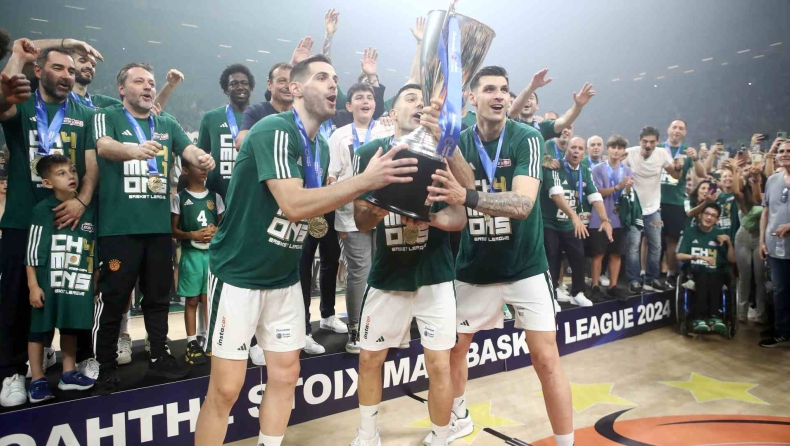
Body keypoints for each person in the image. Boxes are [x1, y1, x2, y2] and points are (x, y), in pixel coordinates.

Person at [195, 54, 418, 446]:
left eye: (335, 77)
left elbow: (318, 203)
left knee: (286, 377)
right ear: (295, 88)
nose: (333, 84)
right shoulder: (275, 130)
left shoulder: (322, 147)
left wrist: (378, 200)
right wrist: (364, 181)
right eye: (321, 77)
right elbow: (295, 205)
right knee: (226, 389)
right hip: (239, 275)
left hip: (283, 278)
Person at [423, 66, 576, 446]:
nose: (499, 96)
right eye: (489, 89)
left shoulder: (526, 137)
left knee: (546, 359)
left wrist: (467, 197)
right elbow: (455, 198)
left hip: (526, 268)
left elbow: (523, 205)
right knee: (453, 351)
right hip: (474, 268)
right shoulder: (456, 141)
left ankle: (566, 442)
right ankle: (458, 417)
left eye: (504, 90)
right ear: (472, 98)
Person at [349, 91, 471, 446]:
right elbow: (360, 222)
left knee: (439, 364)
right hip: (387, 276)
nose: (419, 104)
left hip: (435, 276)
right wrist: (384, 205)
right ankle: (367, 435)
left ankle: (441, 435)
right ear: (393, 111)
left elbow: (460, 217)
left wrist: (428, 219)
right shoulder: (369, 153)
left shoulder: (443, 154)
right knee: (370, 360)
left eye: (423, 100)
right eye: (411, 98)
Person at [91, 62, 215, 395]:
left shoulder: (166, 123)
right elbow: (103, 146)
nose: (148, 86)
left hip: (158, 230)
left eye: (150, 82)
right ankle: (105, 366)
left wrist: (202, 157)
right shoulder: (108, 115)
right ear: (122, 89)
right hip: (119, 229)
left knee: (158, 298)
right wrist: (133, 150)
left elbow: (187, 149)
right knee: (115, 299)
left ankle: (159, 355)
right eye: (139, 81)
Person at [0, 42, 98, 408]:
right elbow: (2, 101)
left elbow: (91, 165)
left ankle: (72, 365)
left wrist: (81, 201)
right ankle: (13, 372)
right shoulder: (23, 102)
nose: (67, 76)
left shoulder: (85, 113)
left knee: (71, 295)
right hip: (22, 219)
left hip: (68, 220)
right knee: (17, 300)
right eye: (58, 68)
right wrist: (18, 56)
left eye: (71, 70)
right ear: (39, 71)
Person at [327, 82, 394, 354]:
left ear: (375, 104)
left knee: (383, 269)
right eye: (359, 97)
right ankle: (355, 328)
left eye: (369, 97)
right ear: (349, 105)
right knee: (359, 272)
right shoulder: (339, 136)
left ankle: (380, 325)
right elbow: (332, 174)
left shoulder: (387, 131)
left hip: (384, 211)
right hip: (350, 214)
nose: (365, 101)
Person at [25, 154, 97, 403]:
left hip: (76, 280)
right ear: (47, 183)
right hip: (48, 282)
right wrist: (33, 285)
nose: (71, 176)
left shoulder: (88, 210)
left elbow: (93, 247)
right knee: (38, 330)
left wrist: (93, 278)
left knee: (70, 325)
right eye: (61, 173)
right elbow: (32, 252)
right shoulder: (41, 210)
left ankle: (68, 373)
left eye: (72, 171)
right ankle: (37, 379)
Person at [542, 137, 612, 307]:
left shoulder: (585, 171)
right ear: (566, 150)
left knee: (579, 256)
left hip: (569, 224)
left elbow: (595, 196)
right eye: (573, 147)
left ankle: (577, 293)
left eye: (580, 148)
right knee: (552, 259)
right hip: (549, 223)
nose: (576, 151)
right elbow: (556, 195)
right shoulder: (555, 167)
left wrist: (605, 219)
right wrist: (575, 217)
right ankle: (551, 296)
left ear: (584, 153)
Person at [171, 158, 224, 365]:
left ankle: (210, 339)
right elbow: (173, 230)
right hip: (191, 255)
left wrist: (216, 231)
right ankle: (191, 342)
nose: (203, 170)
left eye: (205, 167)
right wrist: (192, 234)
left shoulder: (215, 197)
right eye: (197, 166)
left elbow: (224, 226)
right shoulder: (180, 198)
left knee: (207, 299)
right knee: (192, 300)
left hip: (211, 257)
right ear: (185, 169)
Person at [622, 126, 680, 294]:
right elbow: (615, 169)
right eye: (645, 141)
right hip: (634, 209)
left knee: (656, 245)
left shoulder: (662, 154)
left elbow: (675, 176)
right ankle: (634, 280)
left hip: (654, 209)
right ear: (639, 141)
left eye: (652, 142)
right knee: (633, 246)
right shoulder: (629, 153)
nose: (648, 145)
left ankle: (651, 279)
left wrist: (678, 167)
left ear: (657, 142)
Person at [659, 120, 706, 288]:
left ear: (685, 132)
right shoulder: (658, 147)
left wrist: (695, 158)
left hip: (675, 202)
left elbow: (702, 174)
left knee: (672, 240)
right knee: (651, 240)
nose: (677, 130)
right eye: (674, 127)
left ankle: (671, 274)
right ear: (668, 129)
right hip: (655, 201)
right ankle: (649, 273)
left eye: (681, 128)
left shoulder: (687, 151)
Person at [676, 203, 735, 333]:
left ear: (717, 220)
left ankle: (715, 317)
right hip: (695, 271)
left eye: (713, 216)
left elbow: (732, 260)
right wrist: (698, 257)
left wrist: (729, 243)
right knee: (703, 275)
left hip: (716, 272)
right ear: (700, 215)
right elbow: (679, 256)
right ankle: (699, 317)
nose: (709, 217)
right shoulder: (690, 232)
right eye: (707, 214)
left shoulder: (720, 233)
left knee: (715, 275)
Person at [200, 63, 255, 199]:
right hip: (217, 196)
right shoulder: (211, 118)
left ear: (250, 87)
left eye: (244, 83)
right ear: (226, 89)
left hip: (251, 194)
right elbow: (201, 154)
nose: (240, 87)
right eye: (234, 84)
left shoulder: (261, 116)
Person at [590, 135, 633, 301]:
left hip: (618, 218)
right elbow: (597, 193)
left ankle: (613, 286)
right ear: (608, 149)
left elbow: (627, 195)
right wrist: (617, 187)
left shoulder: (627, 171)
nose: (616, 151)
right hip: (599, 218)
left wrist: (627, 189)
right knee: (598, 253)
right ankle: (594, 286)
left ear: (623, 151)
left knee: (616, 254)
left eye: (620, 148)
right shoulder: (598, 169)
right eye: (613, 147)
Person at [509, 68, 595, 147]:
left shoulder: (543, 127)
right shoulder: (510, 122)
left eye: (531, 98)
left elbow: (565, 120)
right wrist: (532, 86)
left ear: (537, 106)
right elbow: (513, 110)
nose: (527, 101)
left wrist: (578, 106)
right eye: (525, 98)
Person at [759, 141, 790, 348]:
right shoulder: (772, 180)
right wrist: (762, 240)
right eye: (781, 151)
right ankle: (782, 330)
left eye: (789, 151)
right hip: (775, 246)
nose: (785, 154)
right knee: (778, 290)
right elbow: (766, 211)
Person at [733, 161, 768, 324]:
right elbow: (736, 191)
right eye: (752, 177)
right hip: (743, 238)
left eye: (758, 177)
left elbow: (759, 200)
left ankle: (761, 315)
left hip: (761, 238)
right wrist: (736, 171)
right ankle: (741, 314)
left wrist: (756, 178)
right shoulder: (742, 197)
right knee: (744, 277)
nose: (755, 178)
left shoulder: (767, 195)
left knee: (760, 278)